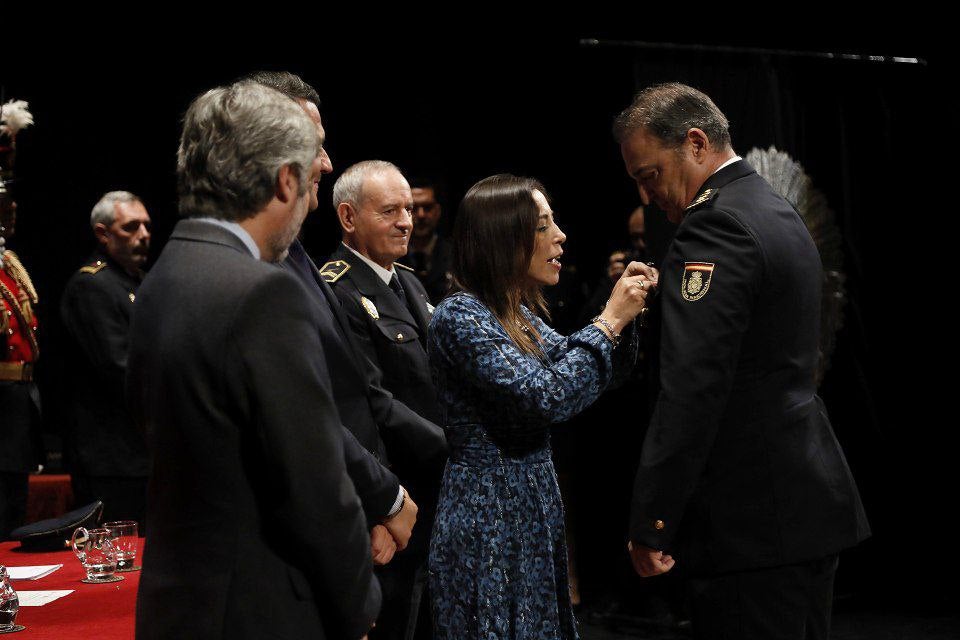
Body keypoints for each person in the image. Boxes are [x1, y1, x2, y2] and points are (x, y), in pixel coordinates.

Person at [615, 83, 870, 640]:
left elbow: (694, 387)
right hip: (799, 502)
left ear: (695, 143)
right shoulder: (773, 208)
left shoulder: (714, 226)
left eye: (650, 174)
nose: (646, 195)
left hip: (751, 519)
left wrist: (654, 517)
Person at [127, 81, 379, 640]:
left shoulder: (163, 275)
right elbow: (315, 486)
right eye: (308, 176)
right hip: (259, 610)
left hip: (179, 605)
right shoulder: (263, 293)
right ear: (285, 180)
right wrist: (360, 604)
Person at [427, 174, 655, 639]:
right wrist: (610, 320)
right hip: (488, 509)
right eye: (543, 226)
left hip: (529, 500)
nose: (560, 236)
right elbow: (546, 395)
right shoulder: (460, 315)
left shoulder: (515, 312)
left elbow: (584, 370)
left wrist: (622, 316)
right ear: (503, 239)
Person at [244, 70, 441, 592]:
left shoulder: (301, 259)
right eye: (391, 211)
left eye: (409, 210)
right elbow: (322, 410)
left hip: (372, 495)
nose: (327, 163)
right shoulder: (266, 269)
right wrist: (383, 497)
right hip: (315, 523)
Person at [323, 160, 444, 640]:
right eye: (390, 211)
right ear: (349, 217)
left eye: (408, 210)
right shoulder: (337, 290)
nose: (406, 222)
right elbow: (371, 402)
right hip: (390, 492)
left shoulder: (408, 281)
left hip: (433, 485)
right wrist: (456, 445)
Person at [60, 191, 152, 524]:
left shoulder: (138, 282)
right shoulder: (92, 286)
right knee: (117, 547)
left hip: (140, 451)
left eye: (146, 225)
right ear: (103, 233)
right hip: (111, 456)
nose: (144, 234)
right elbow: (120, 368)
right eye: (131, 227)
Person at [0, 98, 41, 539]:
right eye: (2, 200)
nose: (10, 207)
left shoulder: (9, 266)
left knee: (12, 513)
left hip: (16, 405)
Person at [398, 175, 453, 303]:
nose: (421, 215)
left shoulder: (456, 256)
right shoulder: (391, 258)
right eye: (414, 208)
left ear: (437, 211)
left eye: (427, 207)